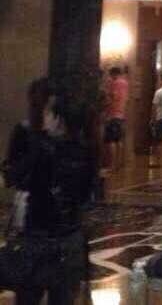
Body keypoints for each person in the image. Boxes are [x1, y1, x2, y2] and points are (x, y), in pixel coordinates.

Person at [0, 89, 95, 305]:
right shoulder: (85, 149)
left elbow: (12, 179)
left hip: (38, 241)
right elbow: (87, 196)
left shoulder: (41, 147)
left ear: (58, 118)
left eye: (48, 112)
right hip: (71, 242)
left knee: (28, 297)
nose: (44, 115)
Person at [2, 77, 53, 233]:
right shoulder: (26, 130)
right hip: (35, 199)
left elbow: (11, 167)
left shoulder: (27, 130)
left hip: (35, 199)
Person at [103, 66, 129, 171]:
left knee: (111, 141)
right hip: (121, 114)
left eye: (110, 75)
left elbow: (114, 96)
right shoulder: (125, 83)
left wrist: (107, 95)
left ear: (114, 74)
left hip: (113, 114)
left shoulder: (115, 83)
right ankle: (120, 164)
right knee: (119, 140)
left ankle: (112, 165)